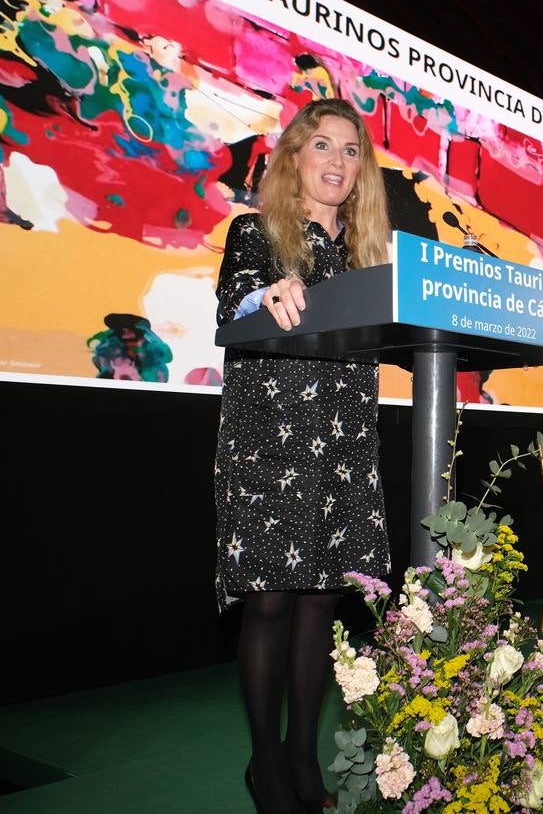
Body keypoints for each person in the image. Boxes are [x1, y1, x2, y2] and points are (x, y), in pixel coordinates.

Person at [214, 98, 392, 814]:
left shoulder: (366, 255)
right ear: (294, 157)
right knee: (271, 600)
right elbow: (233, 303)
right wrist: (269, 292)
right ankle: (264, 760)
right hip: (270, 439)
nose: (338, 162)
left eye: (352, 151)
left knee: (322, 603)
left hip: (345, 440)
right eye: (323, 145)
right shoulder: (257, 231)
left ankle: (301, 754)